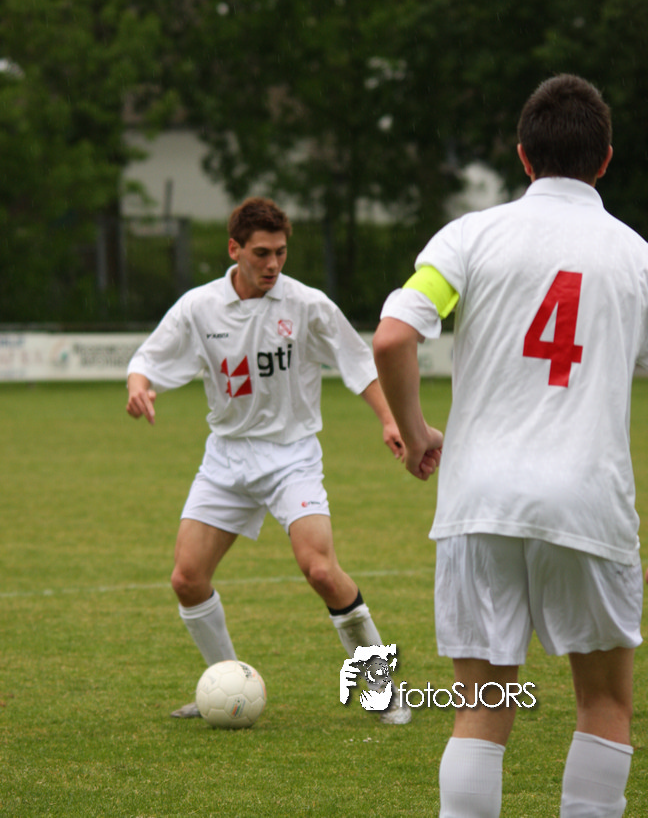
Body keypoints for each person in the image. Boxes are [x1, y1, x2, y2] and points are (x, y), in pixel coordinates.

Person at [373, 74, 648, 815]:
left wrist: (417, 432)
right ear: (606, 160)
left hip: (479, 500)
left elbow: (393, 336)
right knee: (604, 704)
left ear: (523, 157)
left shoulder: (470, 237)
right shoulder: (637, 257)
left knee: (481, 706)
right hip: (589, 503)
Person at [126, 196, 410, 724]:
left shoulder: (307, 305)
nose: (273, 263)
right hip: (227, 457)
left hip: (291, 456)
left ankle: (382, 688)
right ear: (234, 249)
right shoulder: (199, 307)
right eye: (261, 253)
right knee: (187, 578)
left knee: (320, 569)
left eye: (280, 252)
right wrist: (139, 386)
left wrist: (389, 419)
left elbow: (357, 361)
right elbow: (148, 358)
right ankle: (227, 683)